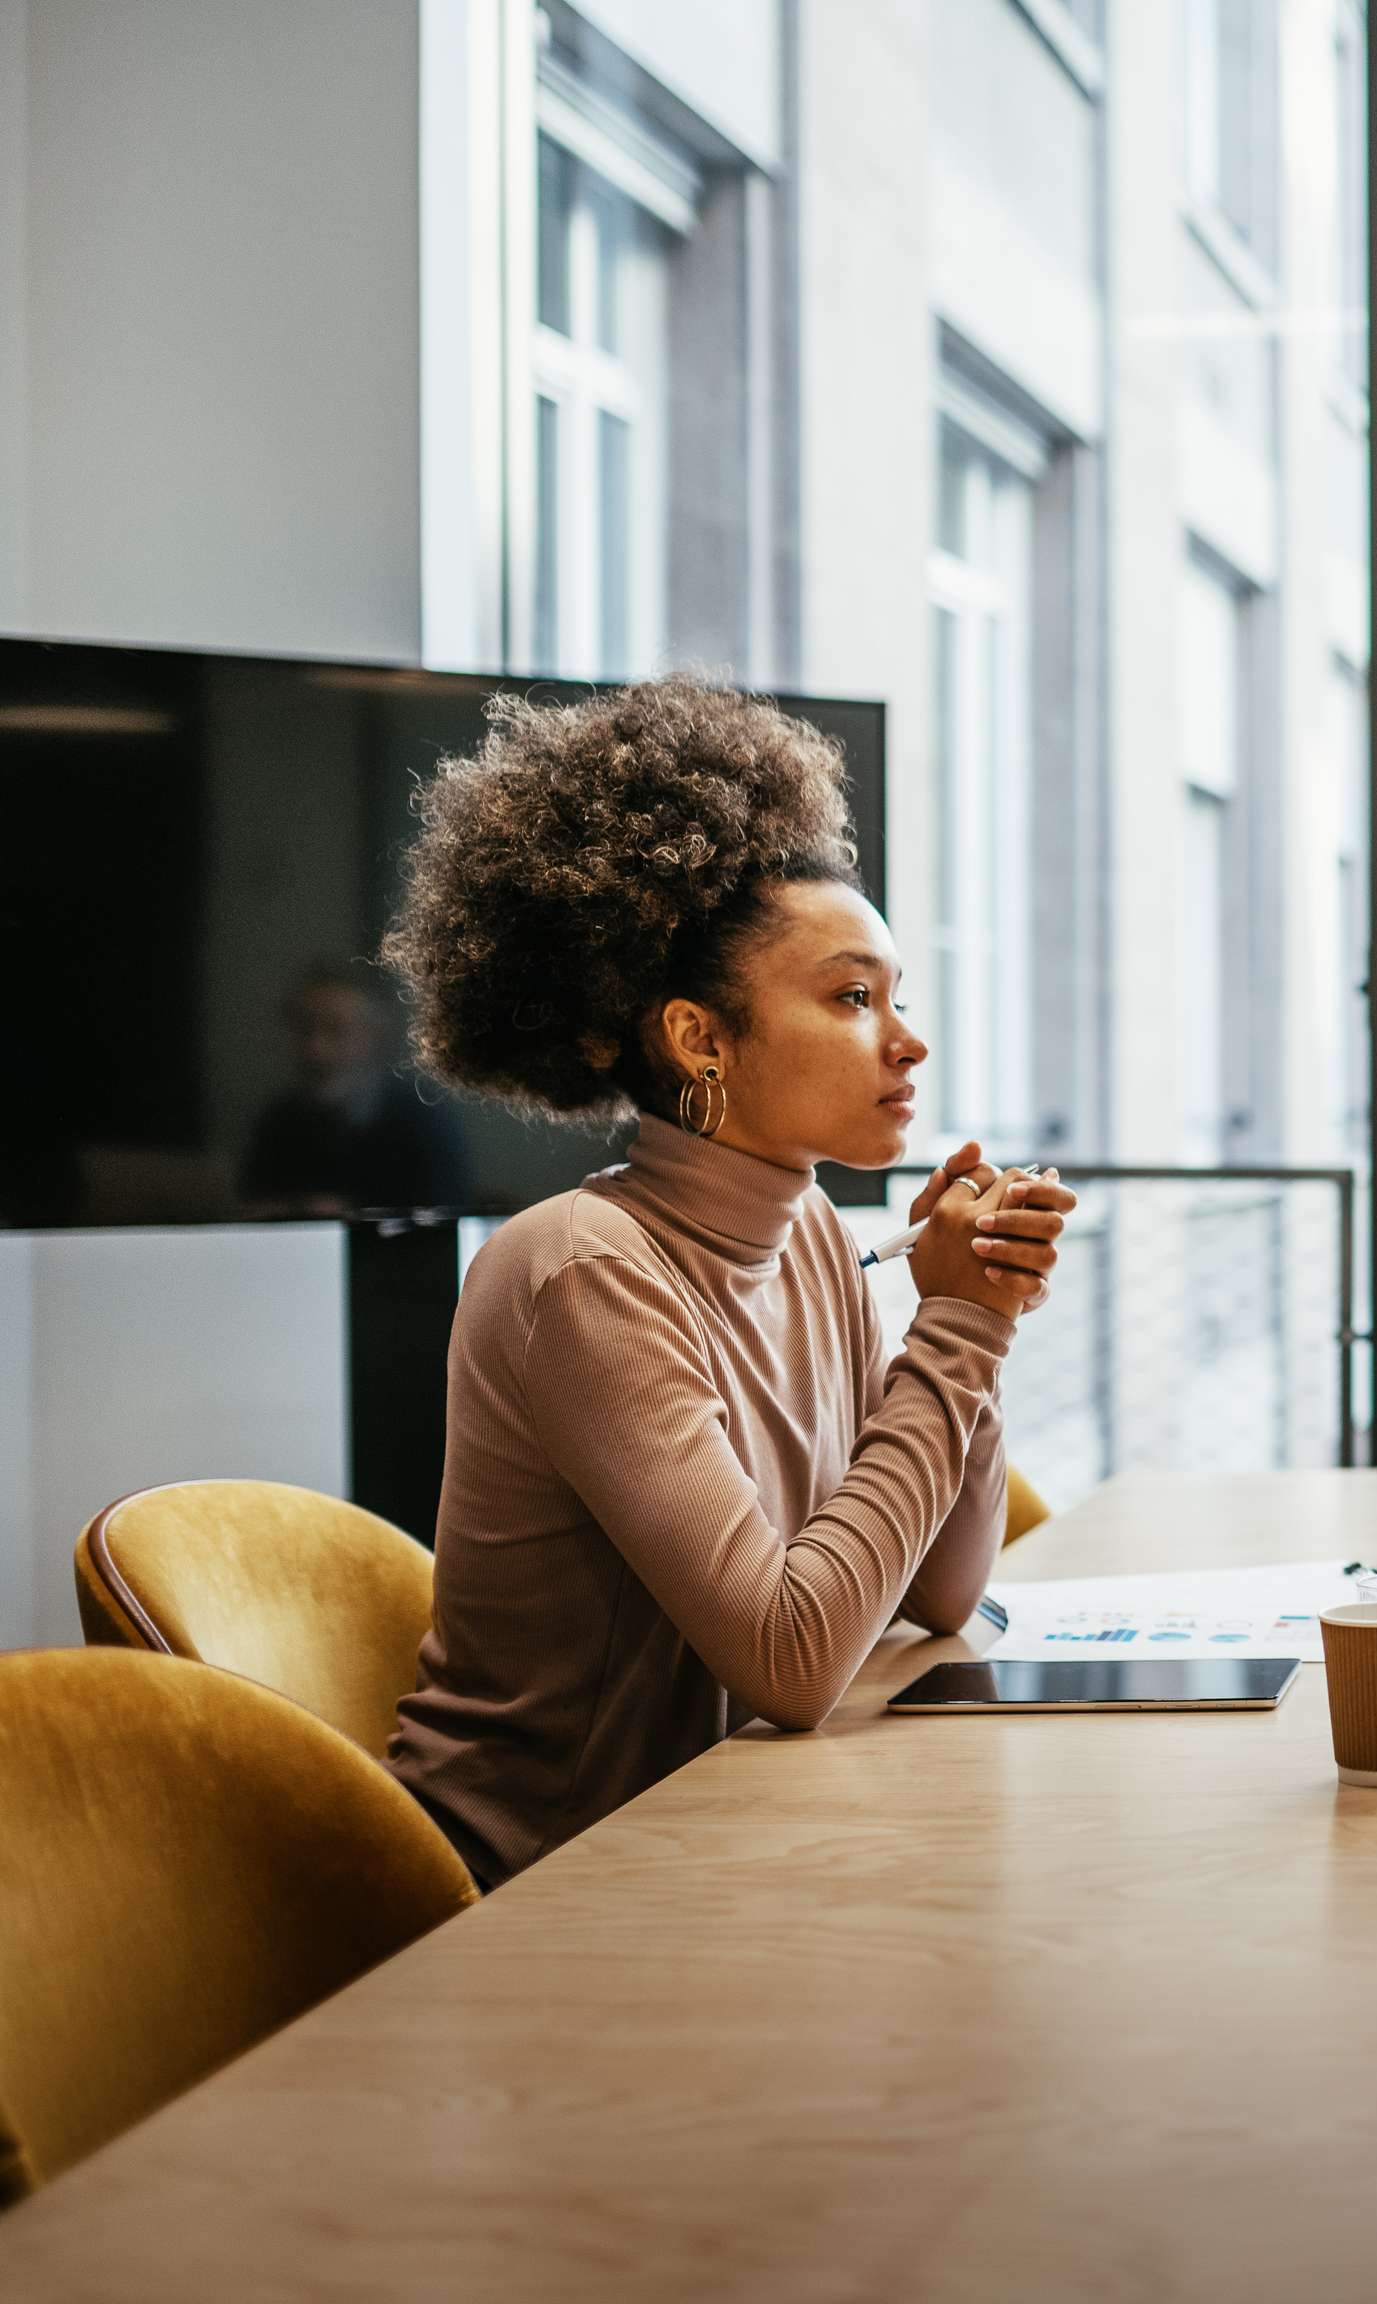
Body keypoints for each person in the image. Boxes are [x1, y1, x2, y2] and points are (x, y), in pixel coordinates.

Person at [379, 676, 1075, 1887]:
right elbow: (797, 1662)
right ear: (700, 1038)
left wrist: (979, 1319)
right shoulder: (579, 1273)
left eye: (899, 999)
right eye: (854, 999)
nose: (907, 1040)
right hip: (540, 1892)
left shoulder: (805, 1226)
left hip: (728, 1843)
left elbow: (943, 1591)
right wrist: (954, 1327)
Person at [236, 963, 474, 1216]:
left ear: (374, 1037)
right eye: (304, 1030)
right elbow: (251, 1210)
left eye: (336, 1031)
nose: (316, 1050)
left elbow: (441, 1218)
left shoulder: (424, 1118)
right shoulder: (277, 1121)